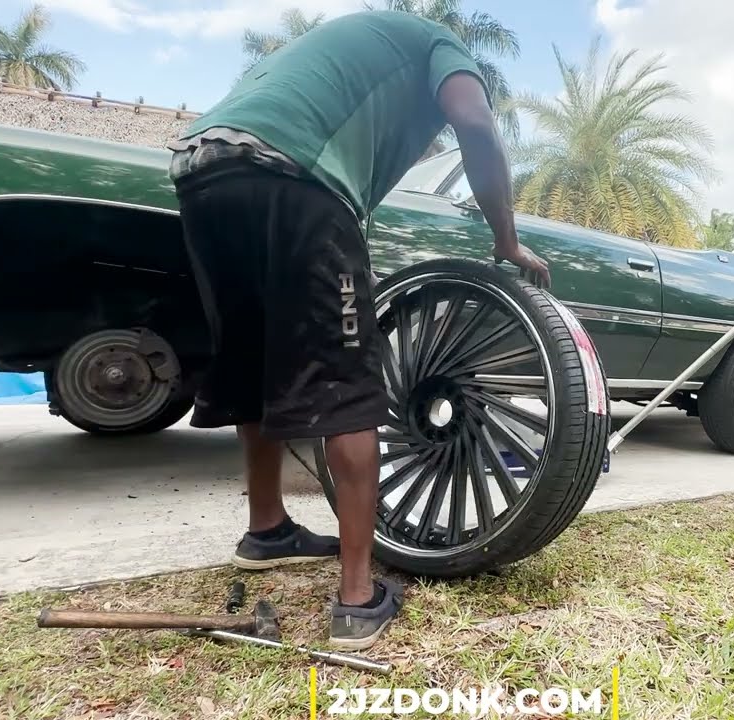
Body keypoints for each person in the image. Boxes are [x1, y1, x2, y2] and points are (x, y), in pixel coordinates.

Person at [165, 9, 550, 651]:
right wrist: (505, 238)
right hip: (294, 182)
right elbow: (476, 123)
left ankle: (268, 531)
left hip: (203, 173)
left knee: (260, 364)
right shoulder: (441, 43)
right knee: (348, 384)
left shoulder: (349, 44)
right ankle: (356, 599)